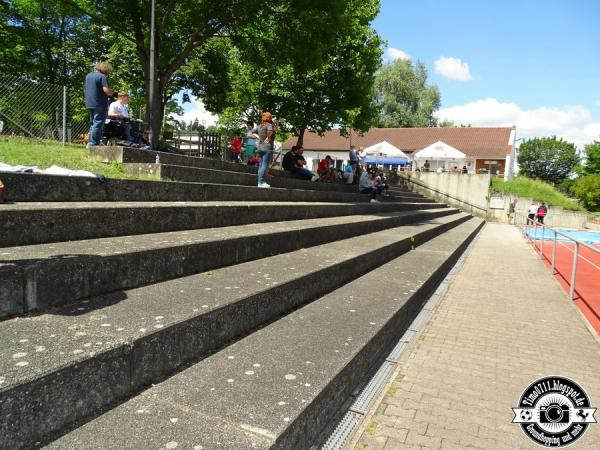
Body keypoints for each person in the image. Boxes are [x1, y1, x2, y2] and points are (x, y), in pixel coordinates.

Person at [84, 61, 114, 147]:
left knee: (92, 123)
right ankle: (93, 143)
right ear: (105, 69)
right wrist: (113, 93)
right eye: (108, 71)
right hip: (99, 103)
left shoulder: (88, 76)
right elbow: (106, 91)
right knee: (98, 123)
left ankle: (91, 142)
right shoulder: (102, 76)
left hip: (89, 103)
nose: (108, 73)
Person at [252, 111, 277, 188]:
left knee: (261, 165)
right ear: (268, 118)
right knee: (264, 165)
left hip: (260, 147)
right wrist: (268, 139)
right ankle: (261, 182)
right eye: (270, 117)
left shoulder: (259, 126)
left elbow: (252, 132)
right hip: (267, 147)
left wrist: (259, 138)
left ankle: (260, 182)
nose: (271, 118)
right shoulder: (269, 125)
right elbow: (269, 132)